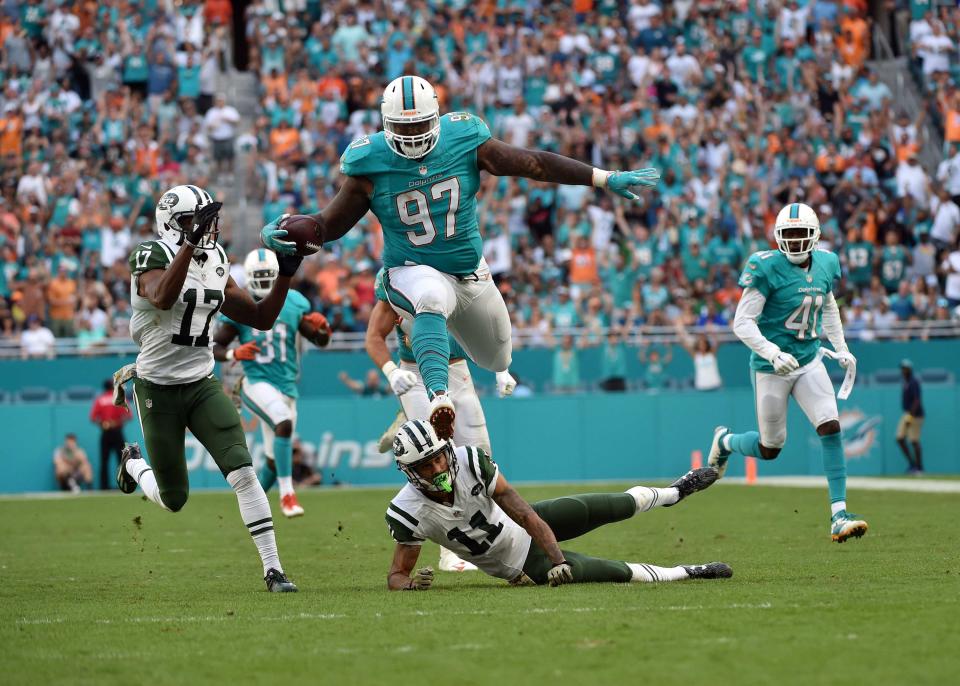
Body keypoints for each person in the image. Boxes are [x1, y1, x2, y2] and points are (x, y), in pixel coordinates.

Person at [261, 74, 660, 440]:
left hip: (470, 273)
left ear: (436, 117)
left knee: (497, 354)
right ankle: (438, 398)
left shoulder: (464, 138)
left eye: (421, 124)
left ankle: (441, 385)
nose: (415, 134)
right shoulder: (370, 163)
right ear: (386, 125)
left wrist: (602, 177)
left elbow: (534, 163)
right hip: (409, 269)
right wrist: (284, 230)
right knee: (429, 297)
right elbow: (327, 225)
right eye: (405, 127)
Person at [114, 184, 305, 592]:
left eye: (207, 221)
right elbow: (163, 297)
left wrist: (286, 273)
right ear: (172, 224)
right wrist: (188, 243)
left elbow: (260, 317)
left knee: (244, 472)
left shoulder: (216, 259)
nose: (206, 229)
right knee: (174, 498)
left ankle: (274, 570)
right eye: (193, 221)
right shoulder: (150, 255)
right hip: (157, 389)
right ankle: (133, 463)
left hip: (201, 384)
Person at [384, 419, 731, 589]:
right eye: (426, 466)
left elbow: (520, 510)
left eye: (438, 458)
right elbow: (397, 574)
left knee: (608, 504)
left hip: (528, 522)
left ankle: (674, 493)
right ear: (409, 472)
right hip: (520, 564)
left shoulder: (470, 460)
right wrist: (411, 584)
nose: (438, 468)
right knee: (613, 571)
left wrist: (557, 559)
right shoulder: (408, 511)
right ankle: (691, 571)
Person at [707, 203, 868, 544]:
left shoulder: (826, 262)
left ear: (815, 236)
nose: (795, 242)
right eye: (789, 235)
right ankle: (725, 442)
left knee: (831, 424)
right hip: (771, 367)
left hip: (809, 359)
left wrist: (840, 347)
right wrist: (772, 352)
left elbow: (827, 304)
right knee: (770, 447)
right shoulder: (765, 267)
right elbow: (742, 323)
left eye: (801, 234)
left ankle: (839, 513)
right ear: (778, 237)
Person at [367, 267, 516, 572]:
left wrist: (501, 367)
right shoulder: (394, 279)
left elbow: (486, 325)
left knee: (480, 455)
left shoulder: (454, 271)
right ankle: (450, 550)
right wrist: (391, 372)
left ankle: (497, 533)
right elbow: (374, 336)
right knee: (434, 460)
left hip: (457, 371)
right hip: (415, 376)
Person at [213, 249, 331, 518]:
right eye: (259, 276)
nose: (264, 281)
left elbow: (319, 340)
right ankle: (288, 495)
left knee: (273, 461)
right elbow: (216, 346)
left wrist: (324, 330)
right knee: (283, 422)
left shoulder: (293, 302)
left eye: (268, 275)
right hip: (256, 382)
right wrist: (234, 353)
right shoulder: (241, 303)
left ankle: (251, 509)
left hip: (286, 386)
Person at [89, 379, 132, 490]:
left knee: (104, 461)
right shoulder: (119, 397)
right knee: (122, 461)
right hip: (117, 432)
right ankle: (124, 485)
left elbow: (93, 418)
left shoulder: (100, 399)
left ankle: (104, 487)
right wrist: (117, 422)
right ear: (113, 387)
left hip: (106, 432)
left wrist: (103, 424)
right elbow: (128, 416)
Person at [896, 359, 925, 474]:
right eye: (902, 368)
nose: (903, 371)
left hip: (915, 415)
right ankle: (912, 464)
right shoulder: (906, 382)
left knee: (914, 441)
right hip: (907, 413)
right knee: (900, 438)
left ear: (910, 370)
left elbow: (917, 401)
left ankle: (919, 467)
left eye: (905, 369)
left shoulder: (913, 382)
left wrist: (910, 417)